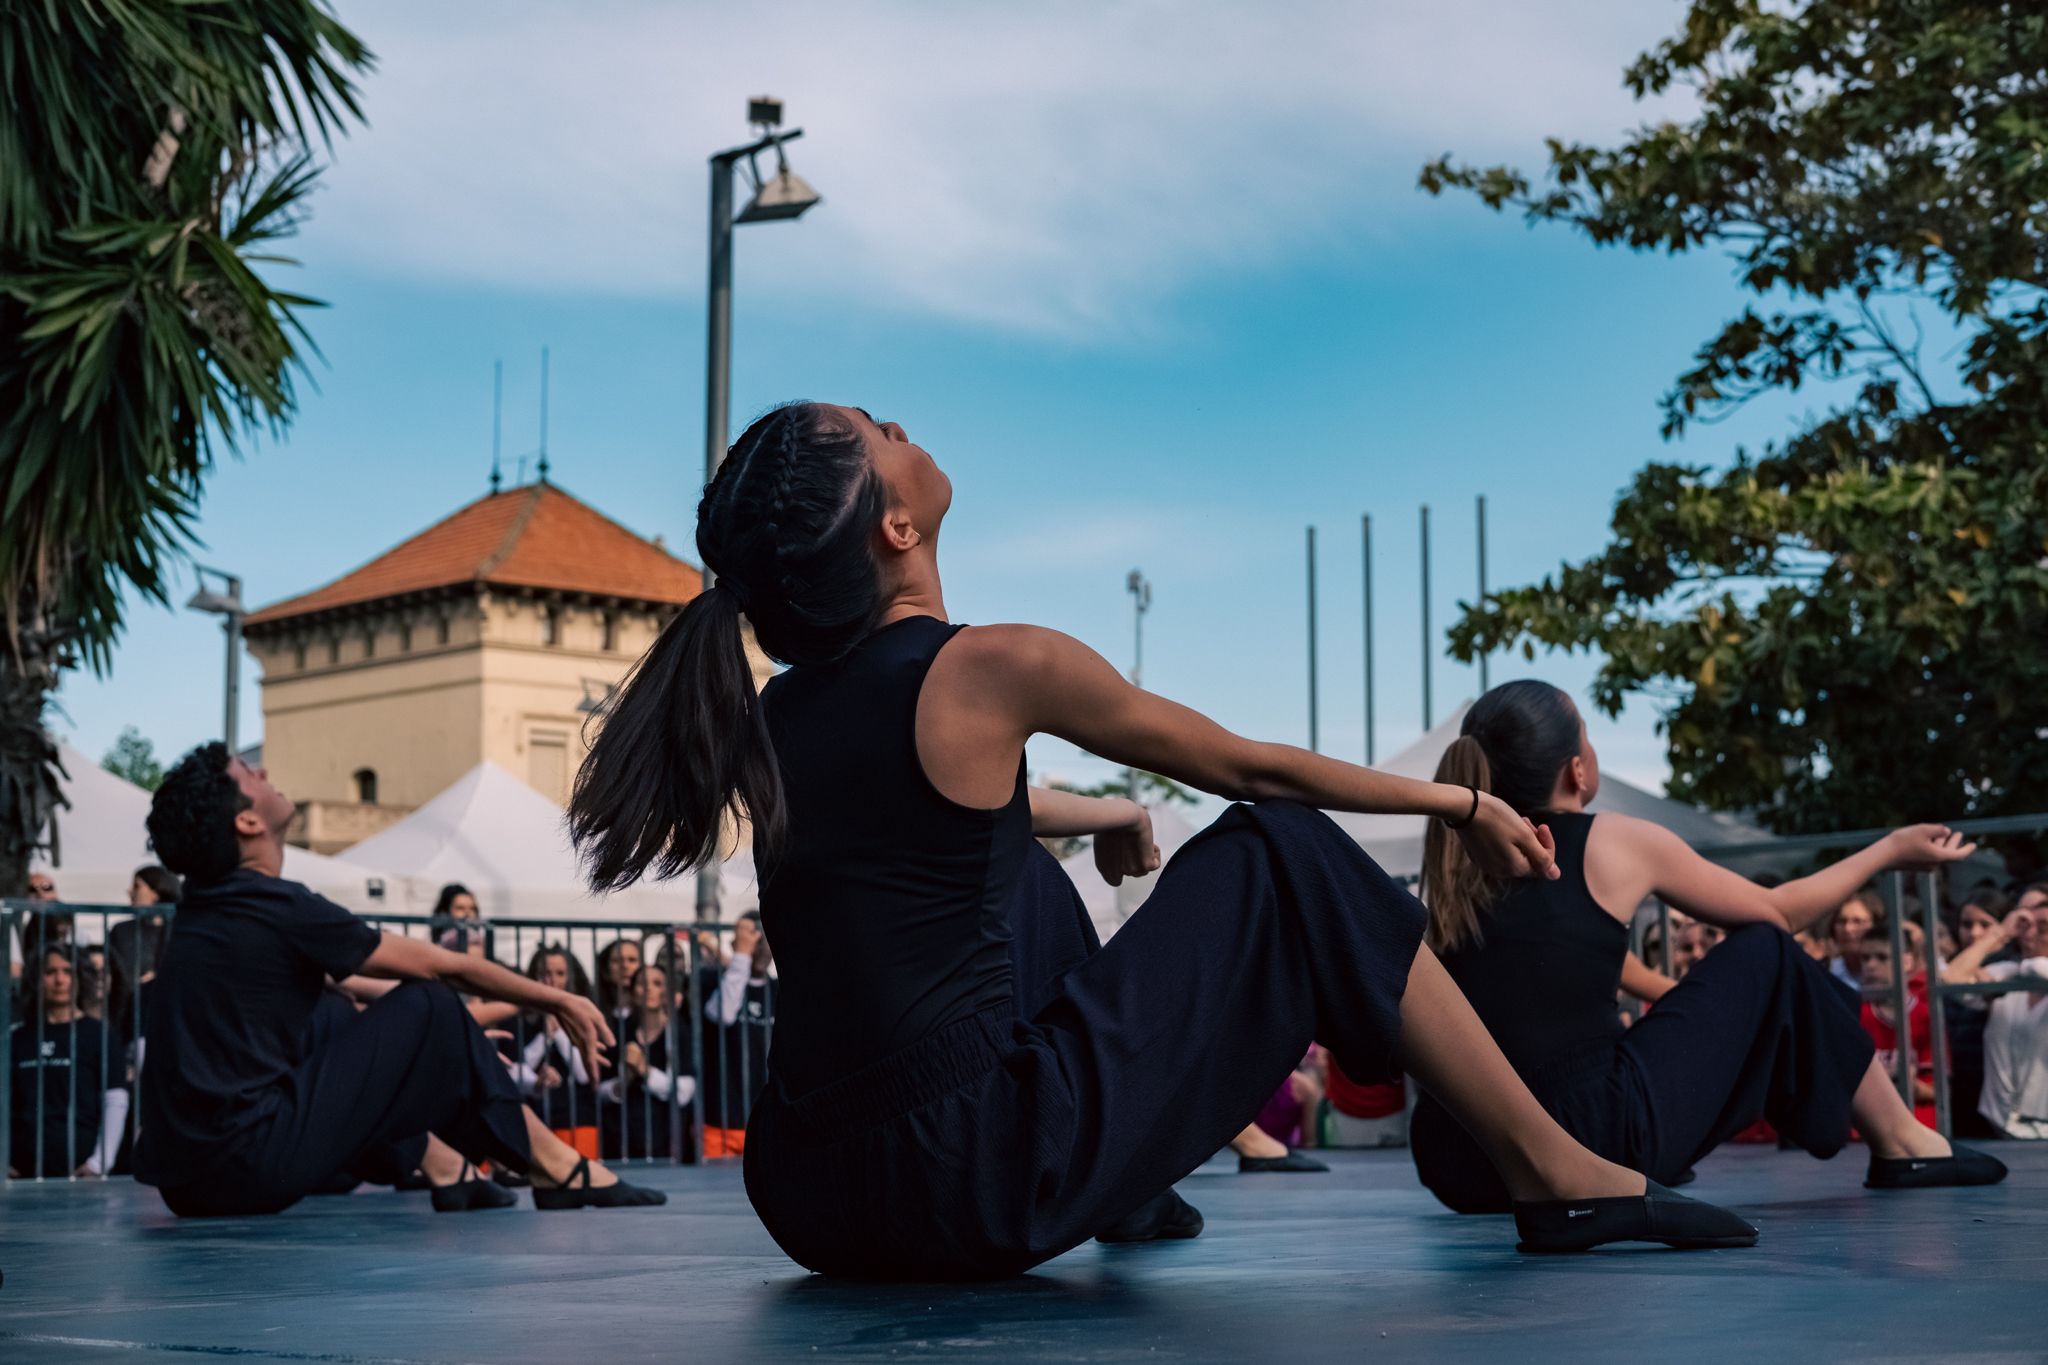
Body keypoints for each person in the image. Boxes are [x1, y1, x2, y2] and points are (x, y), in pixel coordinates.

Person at [567, 400, 1755, 1279]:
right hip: (966, 1177)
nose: (899, 423)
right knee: (1279, 848)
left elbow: (948, 831)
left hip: (814, 1196)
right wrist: (1458, 803)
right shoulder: (989, 664)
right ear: (891, 525)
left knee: (1021, 883)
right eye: (878, 434)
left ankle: (1129, 1197)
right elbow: (1244, 765)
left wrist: (1108, 815)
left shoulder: (781, 714)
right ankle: (1555, 1174)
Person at [1406, 681, 2004, 1216]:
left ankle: (1902, 1141)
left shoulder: (1454, 863)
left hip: (1459, 1160)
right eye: (1587, 735)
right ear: (1577, 772)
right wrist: (1890, 850)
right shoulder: (1611, 841)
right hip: (1587, 1142)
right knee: (1767, 948)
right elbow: (1777, 913)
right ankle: (1904, 1143)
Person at [132, 742, 662, 1216]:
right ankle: (554, 1164)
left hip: (187, 1186)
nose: (265, 770)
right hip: (246, 1170)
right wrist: (557, 999)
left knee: (334, 1015)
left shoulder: (207, 912)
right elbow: (438, 967)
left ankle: (444, 1167)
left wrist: (460, 1039)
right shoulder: (278, 908)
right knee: (429, 1003)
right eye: (250, 774)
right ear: (246, 823)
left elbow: (354, 996)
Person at [1942, 901, 2048, 1138]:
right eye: (2026, 926)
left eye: (2043, 927)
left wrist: (2024, 967)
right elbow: (1950, 979)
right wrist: (1999, 933)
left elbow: (2039, 969)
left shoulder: (2017, 972)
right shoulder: (2007, 974)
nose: (2030, 933)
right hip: (1998, 1125)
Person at [8, 945, 112, 1178]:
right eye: (50, 972)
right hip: (21, 1176)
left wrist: (99, 1163)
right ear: (36, 979)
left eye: (68, 971)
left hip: (82, 1174)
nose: (59, 980)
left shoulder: (99, 1035)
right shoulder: (17, 1038)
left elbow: (115, 1100)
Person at [697, 911, 775, 1157]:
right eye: (755, 941)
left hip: (767, 1122)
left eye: (767, 940)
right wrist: (740, 957)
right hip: (720, 1121)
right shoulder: (713, 980)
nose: (761, 949)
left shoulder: (779, 990)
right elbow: (723, 1015)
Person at [598, 962, 694, 1159]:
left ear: (668, 992)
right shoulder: (619, 1032)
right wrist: (623, 1082)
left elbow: (684, 1092)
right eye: (642, 983)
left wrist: (645, 1070)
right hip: (621, 1143)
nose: (649, 988)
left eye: (657, 983)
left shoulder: (680, 1032)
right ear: (632, 993)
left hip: (668, 1144)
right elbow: (600, 1090)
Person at [1857, 932, 1937, 1127]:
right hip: (1867, 1128)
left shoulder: (1926, 1015)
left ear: (1907, 962)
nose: (1871, 965)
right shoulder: (1855, 1015)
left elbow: (1939, 1091)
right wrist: (1886, 1076)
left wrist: (1911, 1085)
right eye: (1865, 958)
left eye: (1882, 957)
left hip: (1919, 1124)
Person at [1828, 890, 1884, 988]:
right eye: (1842, 921)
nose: (1847, 929)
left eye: (1857, 921)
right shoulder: (1825, 972)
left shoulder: (1891, 974)